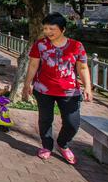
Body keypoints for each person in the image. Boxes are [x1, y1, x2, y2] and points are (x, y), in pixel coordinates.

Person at [22, 12, 93, 164]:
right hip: (43, 90)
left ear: (63, 29)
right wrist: (27, 83)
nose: (48, 32)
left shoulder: (76, 46)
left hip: (70, 91)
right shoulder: (40, 45)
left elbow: (83, 67)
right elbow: (33, 64)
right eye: (45, 28)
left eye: (51, 29)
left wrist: (88, 87)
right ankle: (47, 146)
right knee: (45, 119)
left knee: (72, 123)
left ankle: (62, 143)